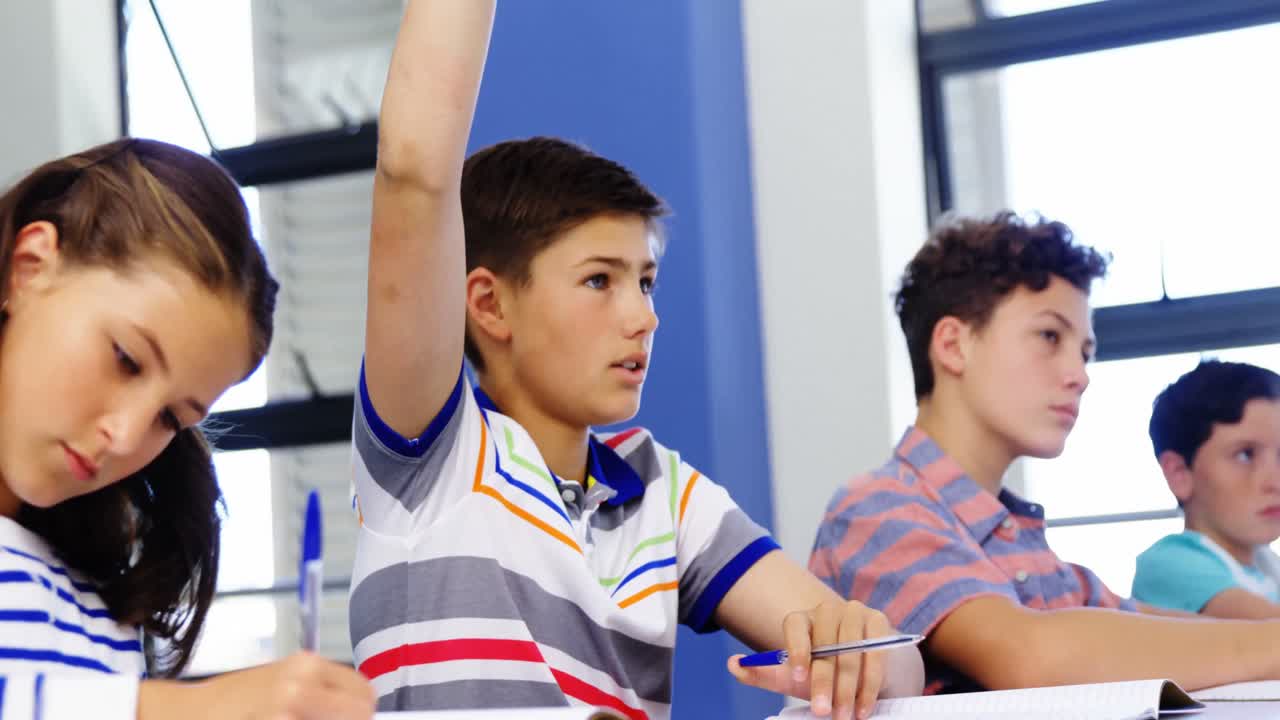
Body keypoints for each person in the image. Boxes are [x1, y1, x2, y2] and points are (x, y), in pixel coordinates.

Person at [349, 2, 922, 719]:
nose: (643, 317)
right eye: (600, 281)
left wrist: (862, 648)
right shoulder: (432, 455)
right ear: (489, 305)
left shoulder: (663, 492)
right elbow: (412, 171)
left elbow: (899, 669)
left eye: (646, 282)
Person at [810, 212, 1280, 694]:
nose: (1080, 374)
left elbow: (1148, 628)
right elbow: (1028, 655)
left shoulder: (1023, 548)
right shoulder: (877, 509)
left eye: (1085, 352)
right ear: (953, 346)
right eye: (1050, 337)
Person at [0, 137, 374, 719]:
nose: (127, 437)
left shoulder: (100, 610)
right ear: (29, 268)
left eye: (170, 419)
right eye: (126, 359)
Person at [1133, 359, 1280, 618]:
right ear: (1179, 473)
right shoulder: (1172, 564)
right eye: (1245, 455)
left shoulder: (1268, 566)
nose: (1275, 482)